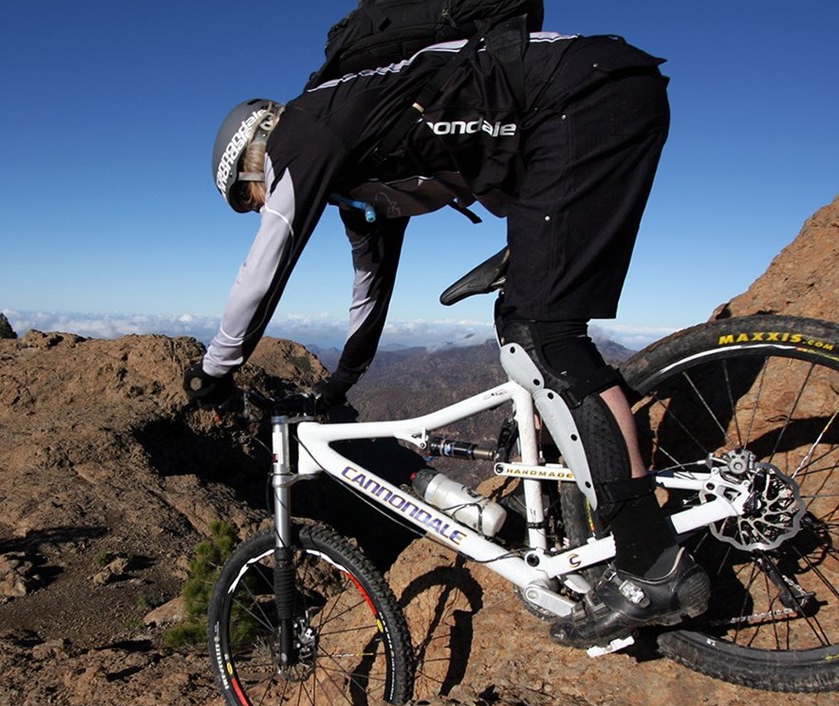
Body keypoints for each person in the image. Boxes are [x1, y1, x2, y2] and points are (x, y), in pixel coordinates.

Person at [182, 26, 709, 649]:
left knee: (540, 334)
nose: (260, 199)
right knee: (527, 328)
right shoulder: (363, 181)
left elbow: (266, 261)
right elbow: (369, 290)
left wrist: (216, 368)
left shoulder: (304, 129)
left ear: (255, 151)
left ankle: (652, 562)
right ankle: (597, 517)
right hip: (583, 103)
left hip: (576, 101)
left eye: (250, 190)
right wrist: (342, 382)